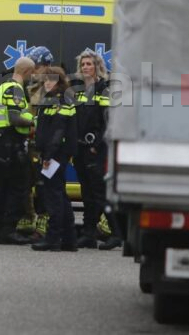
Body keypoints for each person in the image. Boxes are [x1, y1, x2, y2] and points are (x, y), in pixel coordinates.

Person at [70, 49, 122, 250]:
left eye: (89, 64)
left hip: (95, 148)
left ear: (97, 66)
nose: (85, 67)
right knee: (87, 193)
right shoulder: (79, 89)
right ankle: (89, 234)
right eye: (83, 64)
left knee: (100, 192)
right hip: (80, 148)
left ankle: (116, 233)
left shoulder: (104, 88)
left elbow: (108, 121)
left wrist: (96, 144)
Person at [0, 56, 36, 245]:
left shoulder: (2, 87)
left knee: (0, 188)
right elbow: (15, 118)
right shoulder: (15, 89)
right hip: (10, 142)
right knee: (18, 187)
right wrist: (34, 121)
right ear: (27, 72)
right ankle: (8, 230)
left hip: (0, 141)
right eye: (31, 74)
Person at [31, 66, 78, 251]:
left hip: (56, 155)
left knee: (53, 197)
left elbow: (58, 132)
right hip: (55, 154)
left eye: (51, 80)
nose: (47, 83)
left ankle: (53, 238)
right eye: (45, 80)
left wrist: (48, 156)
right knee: (61, 196)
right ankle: (69, 240)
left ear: (59, 81)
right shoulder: (52, 99)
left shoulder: (60, 101)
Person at [18, 45, 54, 241]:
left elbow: (49, 119)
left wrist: (35, 127)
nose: (33, 72)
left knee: (44, 186)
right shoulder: (29, 88)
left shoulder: (53, 89)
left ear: (47, 66)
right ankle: (27, 220)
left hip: (45, 147)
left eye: (36, 67)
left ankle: (43, 225)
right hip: (30, 144)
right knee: (26, 183)